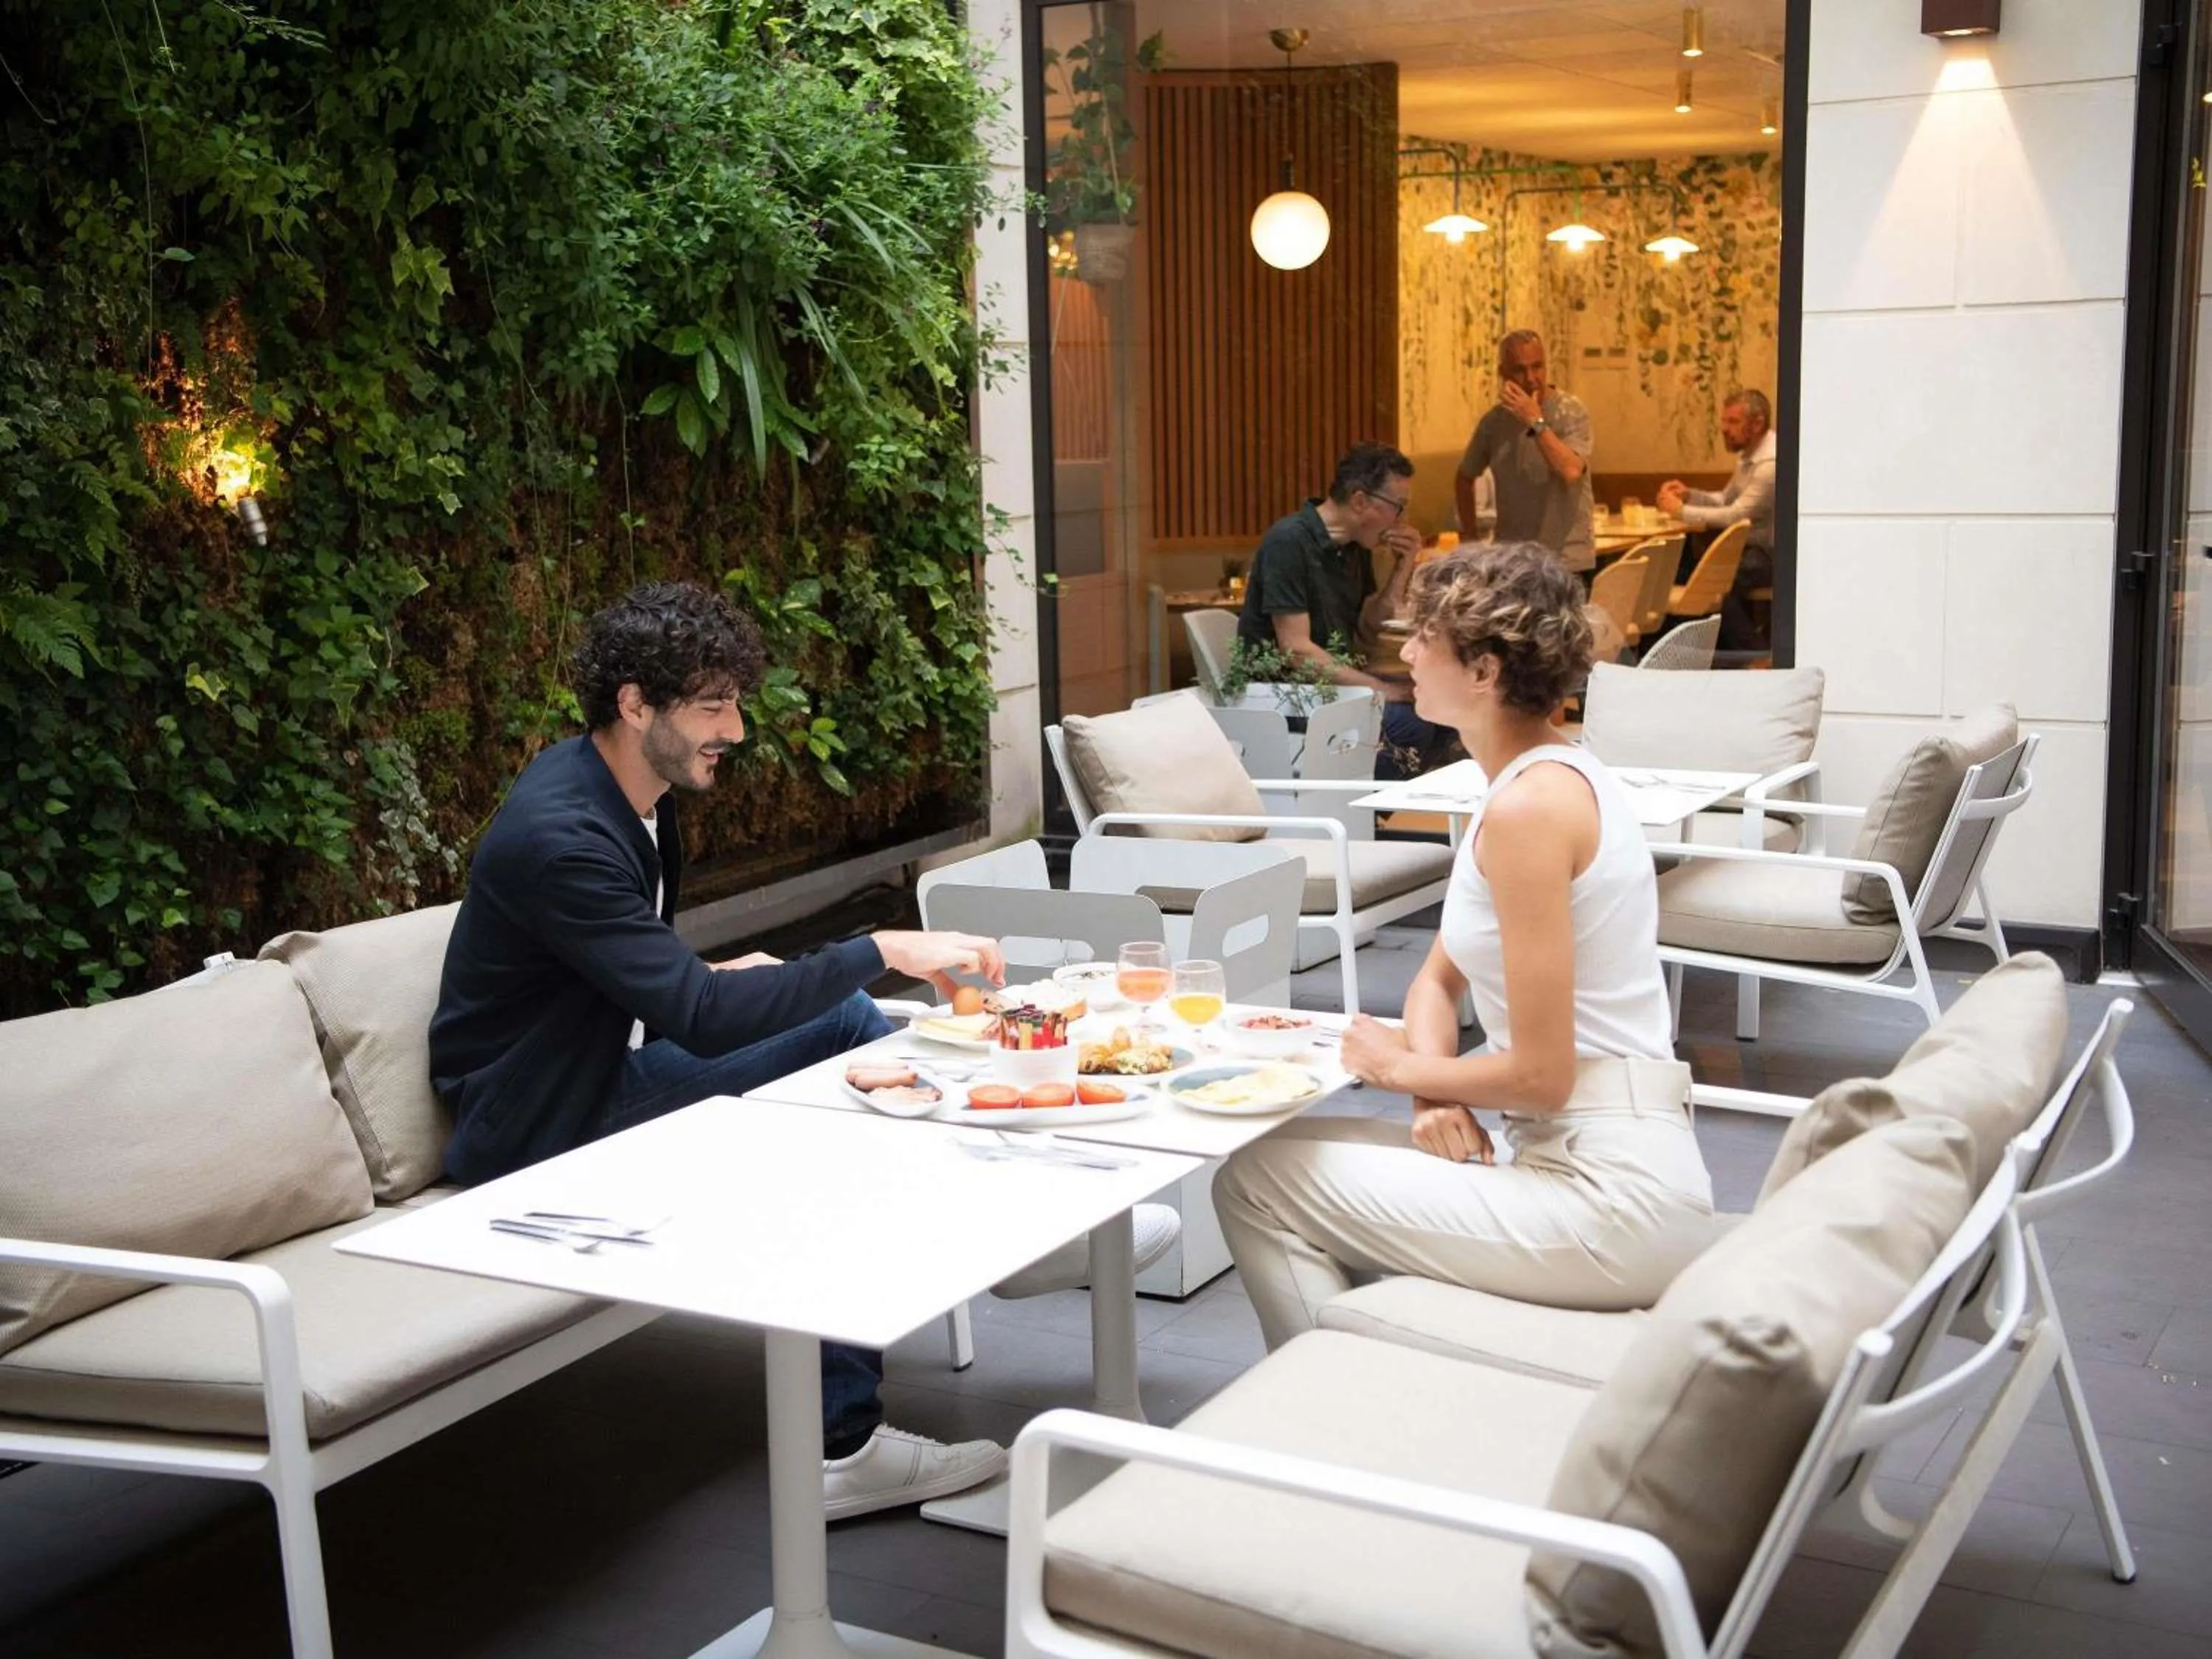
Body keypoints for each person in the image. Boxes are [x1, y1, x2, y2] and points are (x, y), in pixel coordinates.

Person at [429, 580, 1016, 1520]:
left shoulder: (627, 792)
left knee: (835, 1065)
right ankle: (853, 1433)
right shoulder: (562, 834)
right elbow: (697, 1017)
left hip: (583, 1074)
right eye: (712, 705)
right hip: (534, 1124)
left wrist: (712, 979)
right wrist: (881, 948)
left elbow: (635, 977)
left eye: (734, 702)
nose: (736, 730)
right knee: (839, 1036)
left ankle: (973, 1237)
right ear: (634, 703)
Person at [1213, 544, 1716, 1352]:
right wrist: (1432, 1097)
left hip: (1610, 1196)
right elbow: (1434, 987)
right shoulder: (1532, 781)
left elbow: (1542, 1076)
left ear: (1482, 670)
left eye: (1423, 638)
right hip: (1585, 1154)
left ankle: (1325, 1419)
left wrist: (1395, 1067)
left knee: (1256, 1183)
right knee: (1278, 1159)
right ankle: (1382, 1377)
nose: (1404, 653)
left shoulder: (1531, 811)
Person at [1236, 441, 1452, 775]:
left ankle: (1369, 815)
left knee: (1446, 713)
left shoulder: (1353, 547)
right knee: (1410, 724)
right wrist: (1382, 690)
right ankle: (1346, 811)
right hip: (1285, 695)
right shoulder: (1289, 542)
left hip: (1331, 686)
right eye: (1398, 507)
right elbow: (1296, 651)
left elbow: (1368, 628)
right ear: (1360, 500)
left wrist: (1403, 566)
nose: (1402, 519)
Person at [1455, 330, 1596, 577]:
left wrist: (1534, 420)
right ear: (1503, 375)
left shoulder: (1570, 412)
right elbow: (1465, 477)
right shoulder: (1494, 422)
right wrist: (1470, 537)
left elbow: (1571, 471)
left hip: (1566, 560)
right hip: (1513, 561)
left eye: (1538, 367)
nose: (1531, 378)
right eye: (1520, 370)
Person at [1658, 389, 1777, 650]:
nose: (1723, 428)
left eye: (1733, 421)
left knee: (1716, 583)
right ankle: (1705, 651)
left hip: (1771, 554)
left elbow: (1737, 514)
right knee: (1686, 571)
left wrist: (1681, 511)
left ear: (1757, 424)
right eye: (1724, 421)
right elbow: (1726, 499)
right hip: (1750, 550)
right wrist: (1690, 495)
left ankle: (1755, 656)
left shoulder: (1769, 464)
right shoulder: (1750, 457)